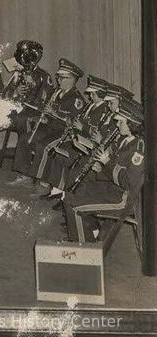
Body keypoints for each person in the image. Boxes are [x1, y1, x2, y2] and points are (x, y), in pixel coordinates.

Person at [62, 98, 145, 243]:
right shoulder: (125, 140)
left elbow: (130, 184)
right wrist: (101, 168)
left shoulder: (139, 149)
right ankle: (90, 232)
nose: (117, 125)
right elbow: (115, 168)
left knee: (73, 204)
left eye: (121, 122)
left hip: (125, 198)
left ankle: (82, 247)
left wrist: (106, 163)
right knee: (74, 192)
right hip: (113, 188)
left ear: (132, 125)